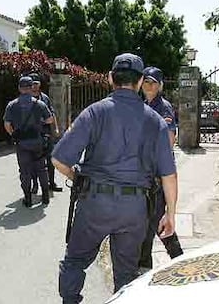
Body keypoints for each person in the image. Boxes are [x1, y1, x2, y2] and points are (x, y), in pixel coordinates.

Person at [52, 53, 178, 303]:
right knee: (127, 274)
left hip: (94, 203)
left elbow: (58, 159)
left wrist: (79, 178)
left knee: (75, 261)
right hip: (134, 209)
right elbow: (169, 175)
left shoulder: (94, 113)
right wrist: (170, 214)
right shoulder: (155, 121)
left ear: (110, 78)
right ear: (141, 81)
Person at [139, 66, 183, 271]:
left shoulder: (163, 107)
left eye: (153, 82)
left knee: (154, 220)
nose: (149, 85)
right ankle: (177, 260)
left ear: (160, 86)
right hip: (144, 173)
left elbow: (169, 140)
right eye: (146, 81)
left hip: (158, 174)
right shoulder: (139, 105)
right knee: (150, 220)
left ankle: (173, 261)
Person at [4, 76, 54, 207]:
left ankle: (28, 198)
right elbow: (50, 120)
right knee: (41, 169)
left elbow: (7, 124)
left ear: (19, 88)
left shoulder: (12, 105)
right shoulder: (40, 104)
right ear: (32, 87)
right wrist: (40, 122)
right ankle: (45, 197)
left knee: (25, 171)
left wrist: (14, 134)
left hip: (22, 143)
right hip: (37, 141)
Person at [28, 73, 63, 194]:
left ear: (40, 84)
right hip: (32, 134)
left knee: (50, 159)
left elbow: (52, 113)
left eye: (36, 83)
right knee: (34, 161)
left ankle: (51, 183)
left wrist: (56, 128)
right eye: (31, 84)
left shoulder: (45, 98)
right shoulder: (26, 99)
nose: (34, 86)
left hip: (46, 133)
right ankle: (35, 185)